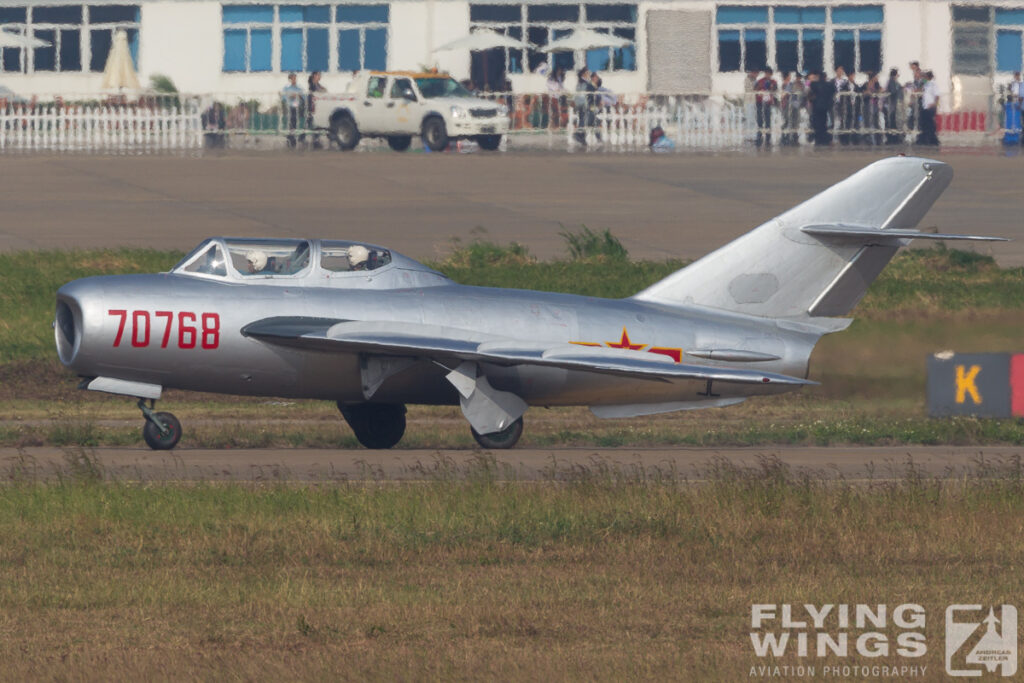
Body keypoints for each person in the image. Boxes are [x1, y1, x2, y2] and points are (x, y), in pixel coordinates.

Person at [807, 70, 835, 146]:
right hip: (825, 107)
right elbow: (833, 91)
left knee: (817, 124)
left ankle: (818, 140)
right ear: (825, 77)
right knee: (824, 123)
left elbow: (810, 92)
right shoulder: (829, 85)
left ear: (818, 77)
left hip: (816, 107)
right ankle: (825, 140)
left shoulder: (814, 84)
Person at [754, 68, 777, 147]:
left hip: (768, 103)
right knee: (760, 120)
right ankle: (759, 137)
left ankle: (768, 138)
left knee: (768, 120)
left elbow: (775, 91)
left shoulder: (774, 82)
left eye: (768, 74)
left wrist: (771, 88)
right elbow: (755, 90)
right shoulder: (759, 81)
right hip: (760, 102)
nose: (767, 75)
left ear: (771, 74)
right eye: (766, 73)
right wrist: (759, 91)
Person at [281, 73, 305, 148]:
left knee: (298, 123)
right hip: (290, 107)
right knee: (291, 124)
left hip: (298, 107)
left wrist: (299, 96)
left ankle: (298, 139)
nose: (294, 79)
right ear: (290, 79)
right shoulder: (286, 88)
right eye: (293, 78)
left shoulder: (299, 88)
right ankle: (291, 140)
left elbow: (304, 97)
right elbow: (283, 98)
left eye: (295, 78)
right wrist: (290, 96)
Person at [780, 71, 804, 146]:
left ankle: (794, 138)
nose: (798, 78)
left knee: (795, 122)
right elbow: (784, 94)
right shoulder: (789, 84)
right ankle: (784, 138)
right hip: (788, 105)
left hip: (795, 105)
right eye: (797, 77)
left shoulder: (800, 85)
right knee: (787, 121)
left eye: (800, 77)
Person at [916, 69, 940, 146]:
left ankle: (933, 140)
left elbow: (937, 96)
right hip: (925, 106)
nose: (923, 77)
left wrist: (934, 104)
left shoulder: (933, 84)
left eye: (924, 76)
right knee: (924, 124)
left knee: (930, 124)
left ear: (928, 76)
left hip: (930, 107)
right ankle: (925, 140)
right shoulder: (925, 84)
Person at [884, 68, 904, 144]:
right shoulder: (892, 82)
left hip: (893, 105)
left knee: (893, 122)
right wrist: (900, 88)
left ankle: (894, 138)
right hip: (892, 105)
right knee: (891, 121)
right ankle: (892, 138)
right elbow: (893, 91)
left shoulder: (894, 82)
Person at [307, 71, 326, 149]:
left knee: (315, 125)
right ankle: (313, 142)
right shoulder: (312, 86)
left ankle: (315, 141)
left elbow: (324, 90)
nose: (320, 76)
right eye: (318, 75)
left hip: (318, 108)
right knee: (311, 124)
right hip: (312, 107)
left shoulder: (318, 85)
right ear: (314, 76)